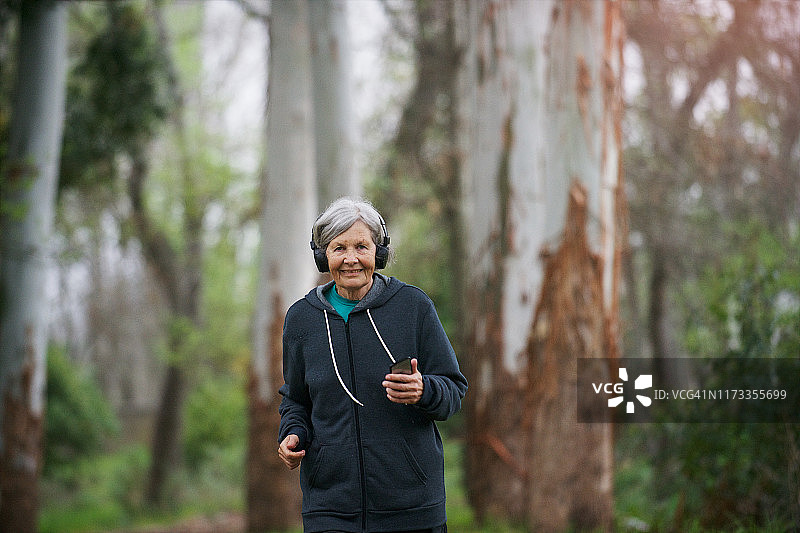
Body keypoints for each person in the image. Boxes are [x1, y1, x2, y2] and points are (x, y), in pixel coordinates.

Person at [277, 197, 468, 533]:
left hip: (412, 509)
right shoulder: (301, 319)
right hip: (330, 510)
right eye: (339, 248)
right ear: (323, 256)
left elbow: (453, 390)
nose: (351, 259)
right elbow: (296, 399)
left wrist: (424, 390)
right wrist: (294, 433)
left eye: (361, 247)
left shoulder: (413, 306)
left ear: (378, 253)